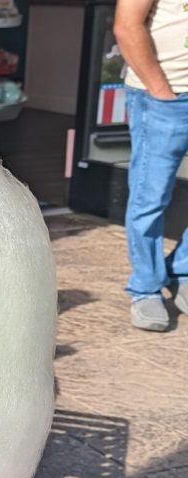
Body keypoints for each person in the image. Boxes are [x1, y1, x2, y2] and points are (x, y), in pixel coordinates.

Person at [114, 0, 188, 331]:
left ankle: (183, 270)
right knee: (150, 196)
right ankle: (145, 288)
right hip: (164, 98)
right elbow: (127, 26)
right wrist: (162, 92)